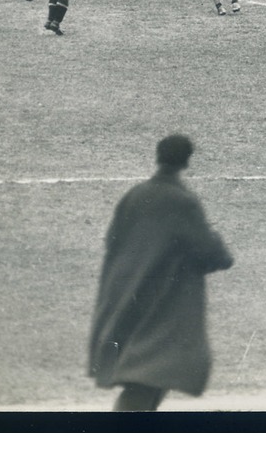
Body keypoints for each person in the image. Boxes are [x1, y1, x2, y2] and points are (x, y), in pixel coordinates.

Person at [89, 134, 233, 412]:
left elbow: (113, 241)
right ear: (186, 161)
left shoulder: (135, 195)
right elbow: (209, 251)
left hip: (128, 295)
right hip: (165, 303)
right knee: (151, 374)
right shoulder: (182, 201)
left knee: (143, 376)